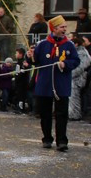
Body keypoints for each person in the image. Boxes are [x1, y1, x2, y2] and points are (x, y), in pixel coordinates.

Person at [31, 16, 79, 151]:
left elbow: (76, 61)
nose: (65, 29)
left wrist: (66, 64)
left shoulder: (69, 45)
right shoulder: (43, 44)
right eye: (62, 27)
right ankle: (47, 138)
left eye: (65, 27)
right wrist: (30, 57)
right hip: (44, 84)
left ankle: (62, 141)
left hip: (61, 85)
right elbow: (35, 62)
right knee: (45, 113)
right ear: (54, 28)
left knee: (61, 114)